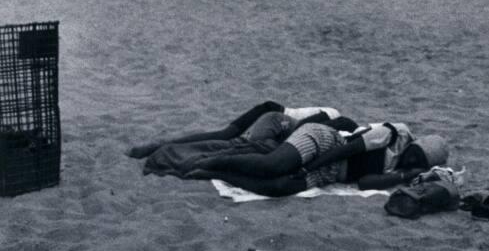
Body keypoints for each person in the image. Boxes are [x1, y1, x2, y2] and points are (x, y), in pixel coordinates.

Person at [183, 120, 450, 197]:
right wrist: (307, 166)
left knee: (279, 188)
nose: (410, 160)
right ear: (415, 143)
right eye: (414, 153)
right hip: (325, 143)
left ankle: (217, 173)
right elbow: (349, 148)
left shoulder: (401, 170)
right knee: (274, 166)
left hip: (331, 173)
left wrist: (403, 175)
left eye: (417, 162)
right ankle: (212, 162)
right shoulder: (393, 134)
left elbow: (366, 183)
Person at [126, 100, 346, 178]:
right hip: (273, 118)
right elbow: (298, 129)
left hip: (273, 116)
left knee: (225, 138)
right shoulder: (333, 118)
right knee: (230, 141)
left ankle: (163, 148)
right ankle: (160, 148)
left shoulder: (335, 127)